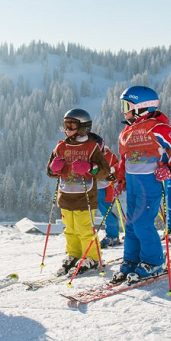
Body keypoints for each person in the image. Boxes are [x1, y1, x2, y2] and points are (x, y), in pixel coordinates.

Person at [112, 86, 171, 284]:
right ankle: (131, 259)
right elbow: (124, 159)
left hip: (149, 184)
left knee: (142, 223)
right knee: (130, 224)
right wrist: (120, 180)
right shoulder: (126, 132)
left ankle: (154, 261)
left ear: (142, 107)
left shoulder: (158, 128)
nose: (123, 110)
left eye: (126, 106)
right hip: (132, 184)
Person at [47, 109, 110, 277]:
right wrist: (54, 168)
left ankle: (93, 257)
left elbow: (104, 171)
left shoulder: (91, 147)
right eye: (65, 125)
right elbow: (50, 171)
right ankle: (74, 254)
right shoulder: (61, 146)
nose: (67, 129)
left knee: (85, 229)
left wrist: (90, 168)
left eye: (71, 125)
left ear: (83, 127)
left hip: (85, 197)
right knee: (70, 229)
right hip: (66, 197)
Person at [92, 136, 122, 248]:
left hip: (104, 188)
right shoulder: (89, 155)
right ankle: (85, 238)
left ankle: (112, 236)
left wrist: (114, 178)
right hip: (90, 188)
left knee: (106, 212)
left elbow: (117, 168)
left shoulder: (110, 156)